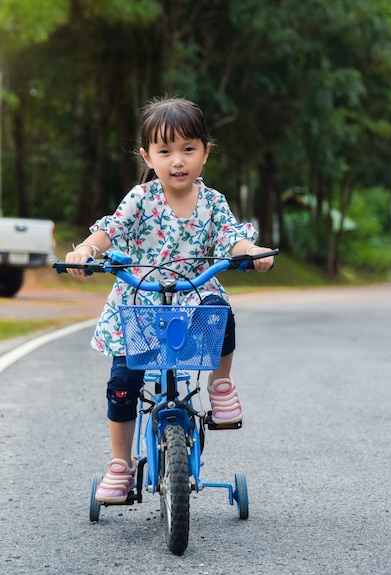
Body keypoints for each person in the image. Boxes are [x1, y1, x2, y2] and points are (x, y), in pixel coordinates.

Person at [65, 96, 274, 504]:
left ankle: (221, 384)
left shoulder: (213, 202)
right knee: (123, 385)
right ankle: (121, 466)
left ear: (205, 153)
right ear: (148, 156)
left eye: (188, 149)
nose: (177, 161)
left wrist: (250, 251)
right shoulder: (141, 199)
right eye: (165, 151)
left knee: (222, 315)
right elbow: (110, 230)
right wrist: (86, 250)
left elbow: (233, 236)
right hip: (140, 307)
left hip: (194, 298)